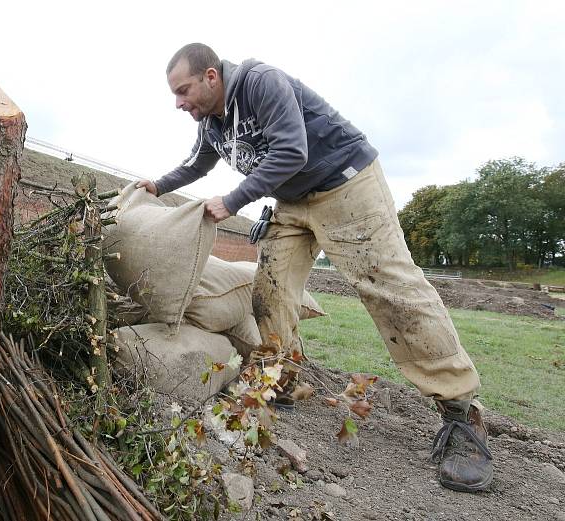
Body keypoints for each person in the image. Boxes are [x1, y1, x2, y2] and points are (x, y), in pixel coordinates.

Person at [136, 43, 493, 493]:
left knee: (390, 292)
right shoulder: (212, 122)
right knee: (269, 289)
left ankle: (462, 413)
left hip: (346, 184)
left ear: (211, 76)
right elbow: (198, 163)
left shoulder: (260, 82)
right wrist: (158, 185)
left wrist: (232, 201)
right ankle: (278, 379)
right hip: (293, 201)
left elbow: (291, 150)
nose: (179, 102)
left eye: (183, 90)